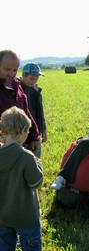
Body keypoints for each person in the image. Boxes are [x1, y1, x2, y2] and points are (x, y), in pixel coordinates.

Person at [0, 106, 43, 251]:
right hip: (26, 217)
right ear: (22, 132)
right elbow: (36, 182)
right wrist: (38, 164)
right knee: (31, 247)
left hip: (3, 216)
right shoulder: (26, 157)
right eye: (27, 131)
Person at [0, 50, 40, 152]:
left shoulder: (17, 85)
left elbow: (26, 113)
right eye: (7, 69)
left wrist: (34, 136)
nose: (11, 74)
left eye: (15, 70)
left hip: (22, 142)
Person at [20, 63, 47, 157]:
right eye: (32, 78)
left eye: (36, 78)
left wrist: (43, 129)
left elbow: (40, 112)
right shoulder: (18, 90)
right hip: (21, 131)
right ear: (23, 76)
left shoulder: (36, 91)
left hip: (35, 132)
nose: (34, 81)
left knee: (36, 158)